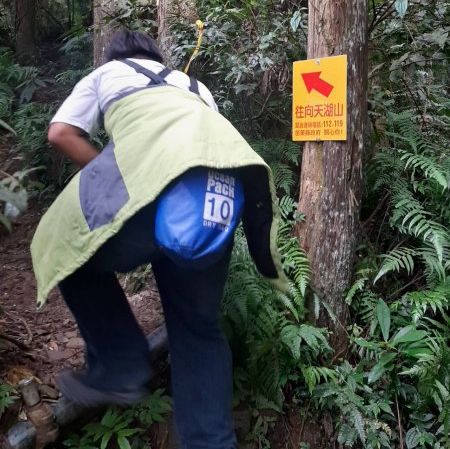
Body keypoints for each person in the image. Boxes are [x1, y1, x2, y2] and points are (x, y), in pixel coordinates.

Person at [31, 29, 286, 449]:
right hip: (216, 193)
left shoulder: (107, 73)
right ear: (158, 56)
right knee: (198, 328)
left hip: (155, 177)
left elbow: (60, 132)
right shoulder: (195, 86)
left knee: (67, 250)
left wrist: (113, 174)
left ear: (115, 55)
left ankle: (119, 365)